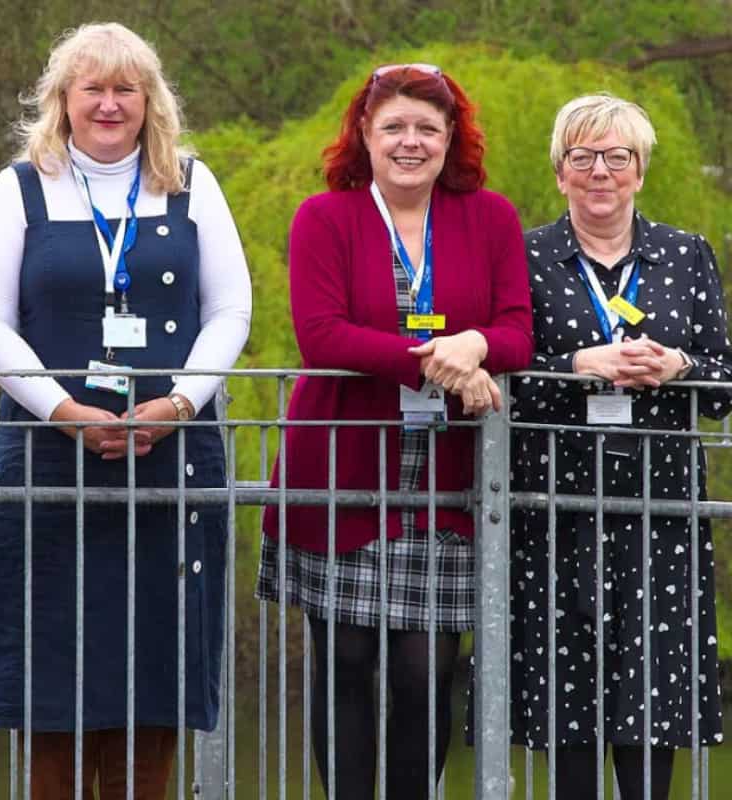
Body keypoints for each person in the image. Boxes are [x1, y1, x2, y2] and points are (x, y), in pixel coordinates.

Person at [0, 22, 251, 799]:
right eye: (92, 87)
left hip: (172, 459)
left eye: (127, 88)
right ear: (62, 99)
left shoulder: (193, 183)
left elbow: (230, 311)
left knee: (155, 677)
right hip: (49, 459)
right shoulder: (19, 186)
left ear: (151, 100)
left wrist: (181, 403)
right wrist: (64, 411)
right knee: (48, 682)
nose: (109, 103)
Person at [258, 65, 534, 799]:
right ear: (365, 136)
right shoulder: (325, 217)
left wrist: (473, 346)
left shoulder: (491, 218)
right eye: (395, 128)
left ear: (451, 140)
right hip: (343, 469)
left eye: (427, 129)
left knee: (427, 668)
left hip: (446, 477)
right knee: (345, 660)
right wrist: (440, 363)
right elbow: (321, 336)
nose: (410, 143)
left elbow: (517, 331)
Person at [509, 93, 728, 800]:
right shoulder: (526, 254)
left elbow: (725, 381)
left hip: (660, 504)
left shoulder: (686, 255)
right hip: (554, 503)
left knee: (653, 683)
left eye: (616, 157)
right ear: (560, 171)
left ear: (639, 170)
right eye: (582, 157)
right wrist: (578, 365)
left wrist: (679, 368)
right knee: (567, 686)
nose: (599, 171)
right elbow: (503, 375)